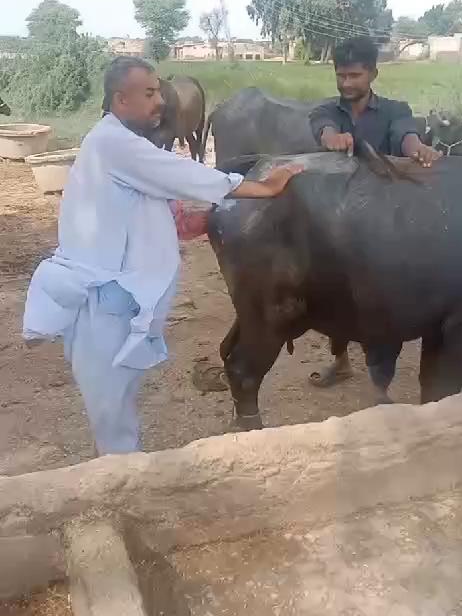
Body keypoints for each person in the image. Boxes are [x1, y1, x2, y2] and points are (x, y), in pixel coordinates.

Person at [23, 57, 302, 455]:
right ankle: (121, 492)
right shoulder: (114, 144)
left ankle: (124, 476)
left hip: (117, 298)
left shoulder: (119, 148)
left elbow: (143, 204)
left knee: (118, 403)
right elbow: (185, 175)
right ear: (121, 99)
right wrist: (263, 187)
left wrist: (187, 223)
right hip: (103, 302)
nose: (161, 101)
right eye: (150, 93)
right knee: (113, 415)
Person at [308, 36, 441, 398]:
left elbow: (405, 134)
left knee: (383, 306)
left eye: (354, 75)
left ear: (373, 74)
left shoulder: (396, 109)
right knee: (333, 295)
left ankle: (380, 387)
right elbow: (322, 128)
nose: (347, 83)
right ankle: (341, 360)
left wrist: (416, 148)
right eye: (341, 75)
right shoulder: (326, 112)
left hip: (386, 227)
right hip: (337, 221)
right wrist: (330, 138)